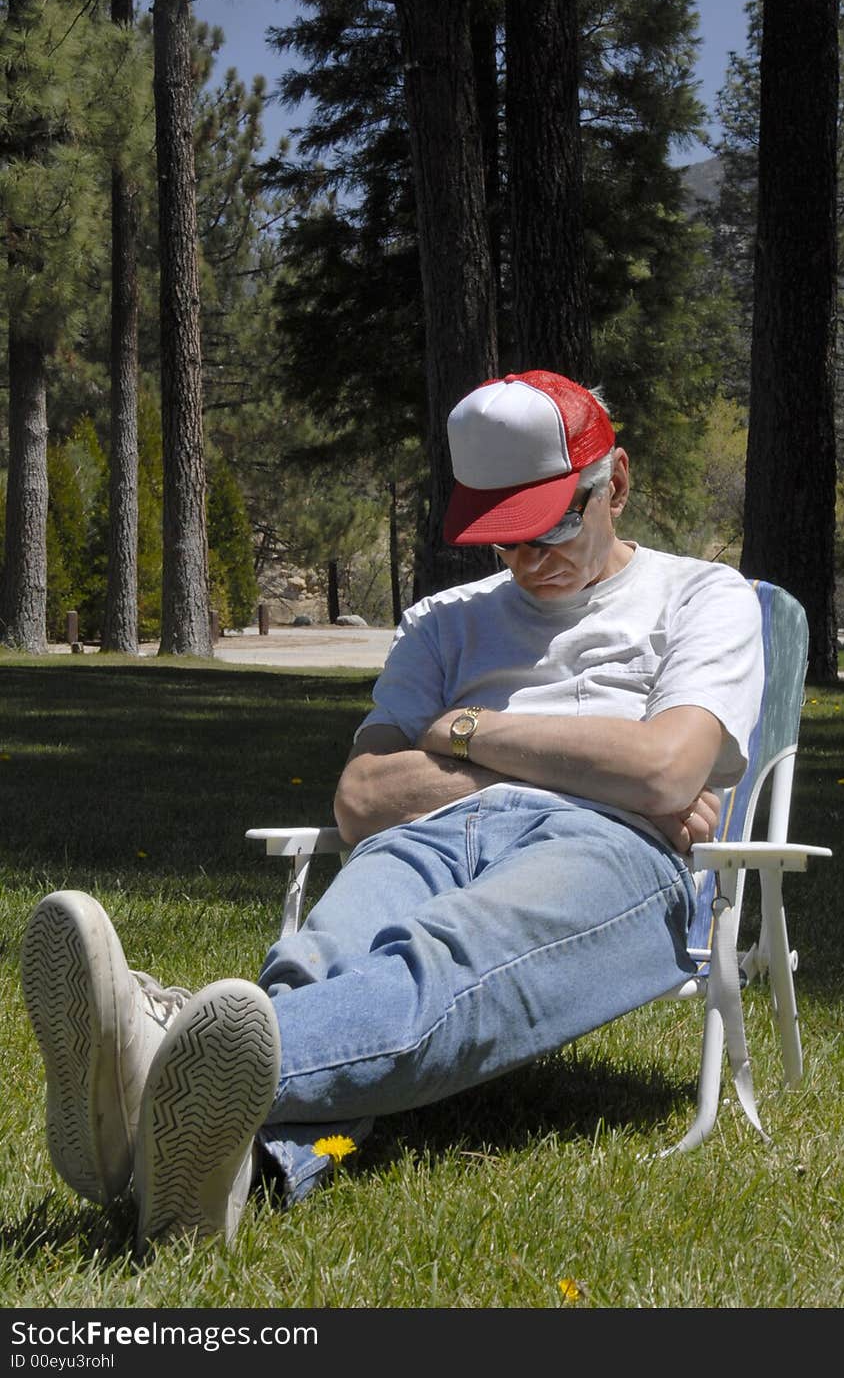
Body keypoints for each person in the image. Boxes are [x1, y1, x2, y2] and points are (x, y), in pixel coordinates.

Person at [20, 370, 765, 1250]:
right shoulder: (443, 621)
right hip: (437, 833)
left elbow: (667, 767)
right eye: (506, 541)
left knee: (442, 958)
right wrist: (598, 764)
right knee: (316, 963)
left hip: (609, 850)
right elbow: (366, 796)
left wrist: (467, 729)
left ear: (620, 484)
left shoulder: (703, 595)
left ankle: (151, 1058)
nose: (532, 560)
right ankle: (228, 1171)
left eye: (554, 525)